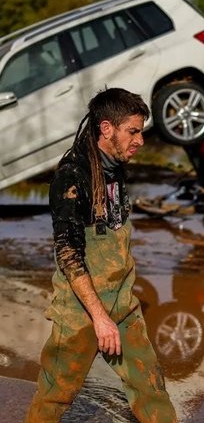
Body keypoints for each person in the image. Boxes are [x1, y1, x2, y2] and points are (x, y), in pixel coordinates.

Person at [25, 88, 178, 423]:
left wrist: (115, 311)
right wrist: (99, 317)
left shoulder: (116, 168)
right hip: (81, 310)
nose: (140, 140)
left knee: (151, 386)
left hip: (122, 304)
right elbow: (68, 254)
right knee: (54, 397)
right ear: (107, 129)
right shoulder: (72, 175)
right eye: (133, 132)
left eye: (141, 132)